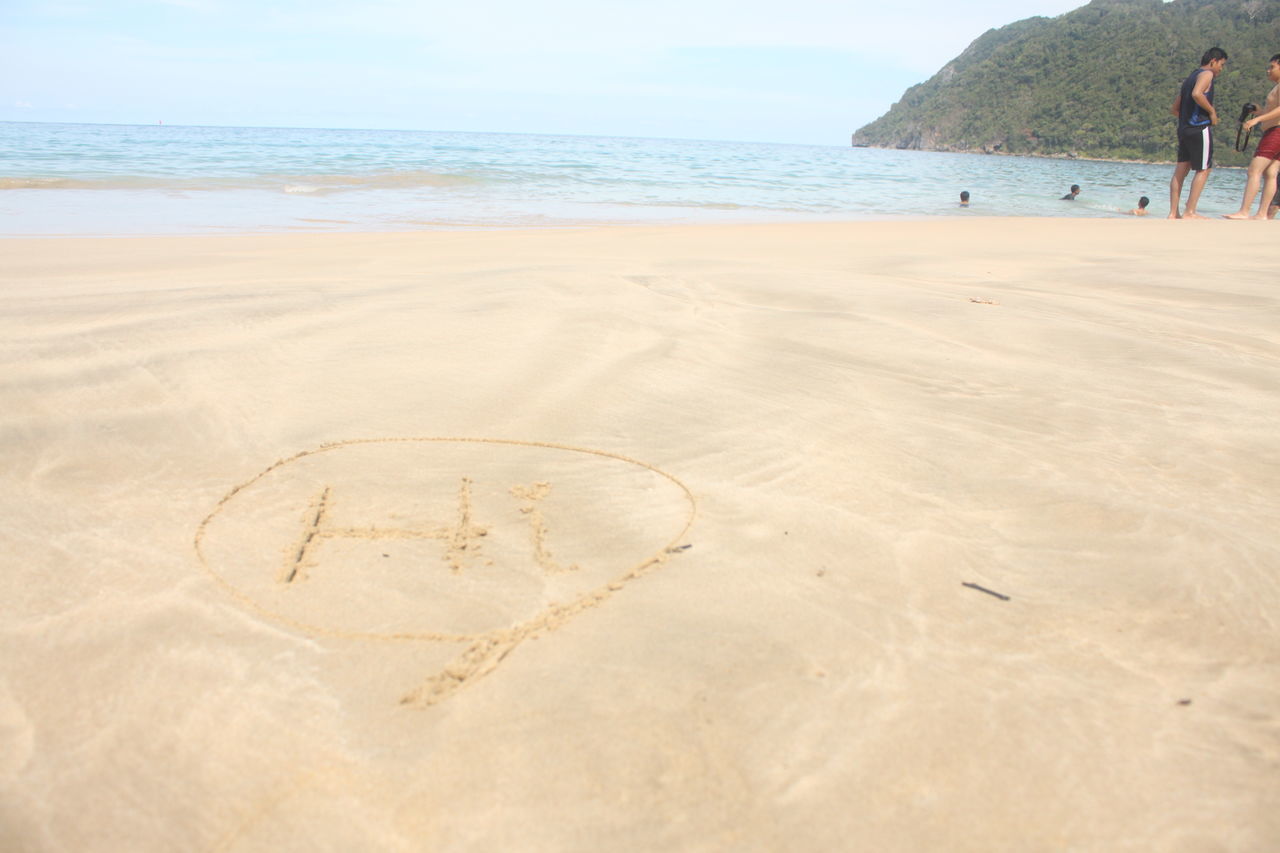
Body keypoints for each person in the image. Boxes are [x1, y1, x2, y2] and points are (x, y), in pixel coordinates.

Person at [1169, 47, 1228, 219]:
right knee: (1204, 169)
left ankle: (1174, 213)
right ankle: (1190, 211)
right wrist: (1211, 112)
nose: (1221, 69)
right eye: (1221, 65)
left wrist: (1187, 119)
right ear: (1213, 61)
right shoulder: (1207, 74)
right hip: (1199, 127)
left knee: (1181, 170)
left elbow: (1175, 109)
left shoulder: (1189, 78)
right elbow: (1197, 94)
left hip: (1184, 129)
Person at [1224, 54, 1280, 220]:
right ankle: (1262, 213)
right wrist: (1259, 111)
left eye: (1272, 67)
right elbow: (1273, 112)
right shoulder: (1276, 87)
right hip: (1275, 130)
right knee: (1270, 173)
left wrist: (1257, 119)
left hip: (1275, 132)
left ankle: (1244, 211)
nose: (1268, 70)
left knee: (1254, 170)